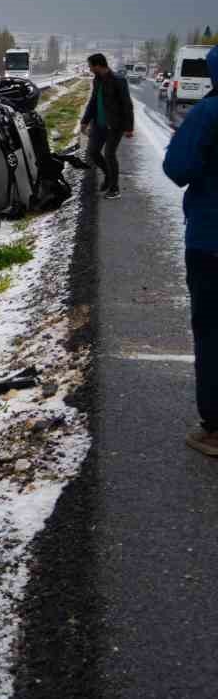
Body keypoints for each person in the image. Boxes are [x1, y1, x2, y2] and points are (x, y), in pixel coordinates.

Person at [163, 43, 218, 457]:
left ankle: (214, 429)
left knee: (213, 332)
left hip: (211, 242)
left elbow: (178, 167)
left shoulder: (208, 112)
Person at [80, 51, 134, 199]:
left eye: (91, 66)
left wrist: (129, 128)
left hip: (114, 125)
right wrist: (85, 121)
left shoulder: (118, 80)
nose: (90, 69)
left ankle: (115, 189)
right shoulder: (97, 80)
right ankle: (108, 176)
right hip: (98, 124)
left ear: (98, 65)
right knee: (93, 152)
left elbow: (127, 105)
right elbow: (93, 102)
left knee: (109, 154)